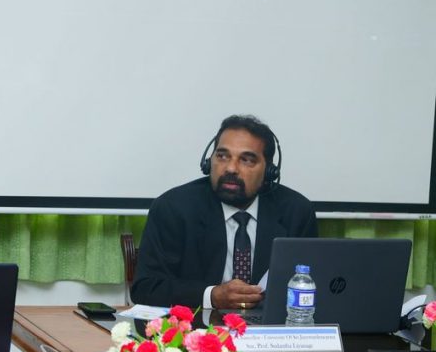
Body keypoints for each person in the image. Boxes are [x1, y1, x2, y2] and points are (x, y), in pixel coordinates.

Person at [131, 115, 317, 310]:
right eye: (222, 156)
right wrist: (211, 296)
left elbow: (312, 285)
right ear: (208, 162)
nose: (230, 168)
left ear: (269, 172)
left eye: (247, 160)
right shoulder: (173, 208)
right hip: (198, 325)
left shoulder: (296, 212)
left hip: (270, 325)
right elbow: (146, 288)